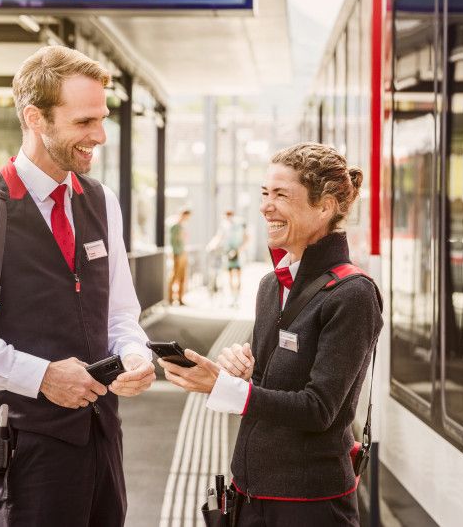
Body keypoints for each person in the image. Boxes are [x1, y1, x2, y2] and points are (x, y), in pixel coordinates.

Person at [0, 46, 156, 527]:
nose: (100, 136)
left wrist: (135, 354)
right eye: (84, 122)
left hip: (103, 438)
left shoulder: (101, 201)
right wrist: (41, 375)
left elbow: (120, 313)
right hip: (28, 450)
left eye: (101, 119)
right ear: (34, 118)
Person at [160, 143, 383, 526]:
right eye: (265, 193)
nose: (265, 206)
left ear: (325, 206)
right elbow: (268, 385)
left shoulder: (354, 294)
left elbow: (318, 409)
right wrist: (238, 372)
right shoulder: (270, 286)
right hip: (249, 493)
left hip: (310, 504)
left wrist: (223, 387)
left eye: (281, 194)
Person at [207, 210, 248, 305]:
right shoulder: (224, 225)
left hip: (238, 253)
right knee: (229, 276)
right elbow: (219, 236)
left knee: (238, 276)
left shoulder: (240, 224)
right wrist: (211, 245)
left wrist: (239, 250)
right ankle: (232, 297)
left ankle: (237, 297)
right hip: (228, 252)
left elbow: (247, 238)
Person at [167, 207, 191, 305]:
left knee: (182, 276)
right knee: (174, 276)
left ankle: (180, 298)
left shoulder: (181, 226)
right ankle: (170, 298)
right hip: (177, 254)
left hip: (182, 252)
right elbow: (174, 241)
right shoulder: (175, 226)